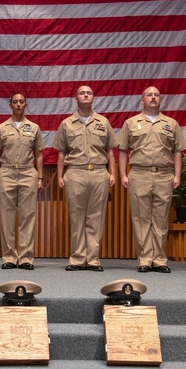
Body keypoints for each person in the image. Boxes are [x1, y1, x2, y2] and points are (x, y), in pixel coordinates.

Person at [118, 86, 185, 273]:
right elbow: (122, 150)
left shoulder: (171, 123)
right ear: (142, 100)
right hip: (139, 173)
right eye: (149, 95)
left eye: (156, 95)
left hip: (164, 174)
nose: (153, 98)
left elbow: (178, 151)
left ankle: (160, 259)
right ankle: (145, 259)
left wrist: (177, 175)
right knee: (141, 218)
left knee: (161, 218)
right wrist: (123, 174)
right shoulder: (131, 123)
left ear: (160, 99)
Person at [53, 85, 116, 272]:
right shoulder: (67, 123)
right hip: (75, 172)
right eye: (82, 93)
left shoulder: (103, 122)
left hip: (98, 172)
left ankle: (93, 258)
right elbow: (61, 153)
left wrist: (112, 173)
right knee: (76, 217)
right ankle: (78, 258)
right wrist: (60, 175)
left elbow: (111, 150)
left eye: (89, 93)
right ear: (76, 98)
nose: (86, 95)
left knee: (96, 217)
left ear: (93, 98)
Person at [0, 92, 45, 270]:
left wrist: (39, 177)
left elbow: (39, 154)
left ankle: (26, 258)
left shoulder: (34, 127)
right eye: (15, 102)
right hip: (6, 172)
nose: (18, 105)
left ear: (26, 105)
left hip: (27, 172)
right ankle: (8, 257)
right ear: (10, 105)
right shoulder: (2, 127)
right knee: (7, 217)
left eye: (21, 102)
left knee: (27, 217)